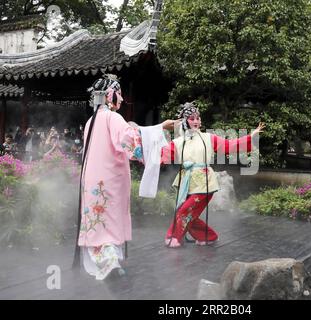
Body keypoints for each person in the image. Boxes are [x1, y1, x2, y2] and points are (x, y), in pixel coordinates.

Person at [74, 74, 176, 280]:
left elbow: (130, 133)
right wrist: (161, 134)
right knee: (109, 222)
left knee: (97, 220)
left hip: (92, 180)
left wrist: (150, 128)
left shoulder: (90, 121)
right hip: (110, 181)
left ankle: (104, 261)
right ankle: (110, 263)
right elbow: (131, 142)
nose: (121, 99)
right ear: (109, 95)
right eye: (119, 93)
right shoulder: (113, 118)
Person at [161, 102, 265, 248]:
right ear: (185, 121)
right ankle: (208, 236)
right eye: (192, 118)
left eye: (198, 118)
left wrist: (250, 137)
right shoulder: (177, 142)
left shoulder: (208, 138)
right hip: (187, 181)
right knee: (188, 212)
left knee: (185, 211)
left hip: (205, 183)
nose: (196, 121)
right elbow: (161, 156)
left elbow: (229, 146)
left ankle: (175, 237)